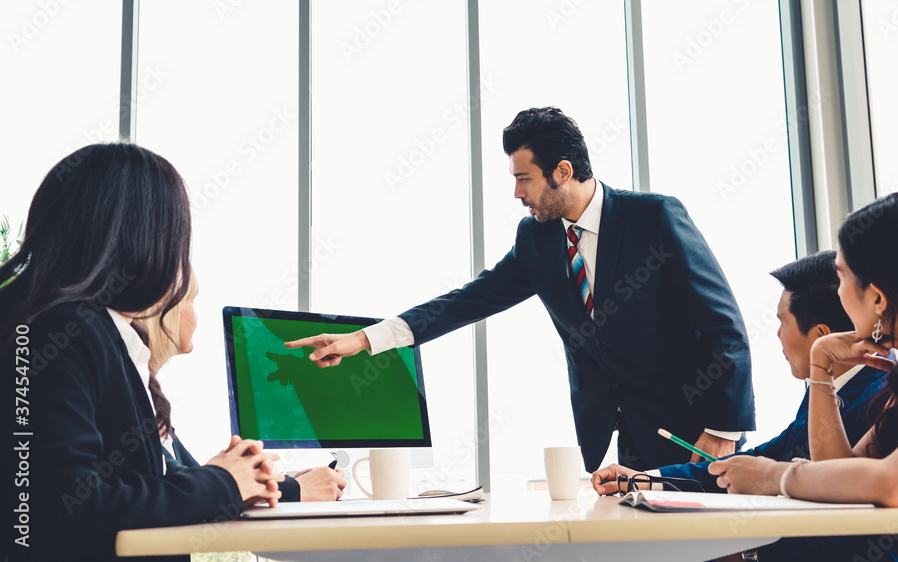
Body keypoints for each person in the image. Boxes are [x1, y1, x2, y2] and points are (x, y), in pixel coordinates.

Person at [286, 107, 754, 471]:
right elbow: (465, 301)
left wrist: (723, 428)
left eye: (523, 179)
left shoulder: (653, 218)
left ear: (563, 172)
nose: (517, 194)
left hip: (695, 432)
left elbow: (722, 324)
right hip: (618, 439)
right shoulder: (537, 240)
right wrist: (365, 339)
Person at [0, 143, 283, 561]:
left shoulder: (76, 325)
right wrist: (222, 482)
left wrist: (227, 476)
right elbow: (74, 506)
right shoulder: (65, 329)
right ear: (143, 238)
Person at [709, 191, 898, 561]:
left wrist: (772, 476)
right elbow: (842, 478)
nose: (838, 292)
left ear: (877, 298)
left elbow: (895, 485)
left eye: (841, 276)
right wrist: (821, 363)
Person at [590, 250, 898, 560]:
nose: (778, 336)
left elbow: (848, 524)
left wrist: (745, 553)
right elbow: (756, 460)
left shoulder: (880, 398)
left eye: (782, 322)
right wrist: (648, 479)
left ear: (820, 334)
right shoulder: (834, 386)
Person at [137, 273, 348, 502]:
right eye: (191, 300)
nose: (196, 315)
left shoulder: (150, 396)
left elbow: (191, 479)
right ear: (161, 307)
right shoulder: (134, 395)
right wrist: (295, 488)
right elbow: (184, 489)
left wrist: (282, 482)